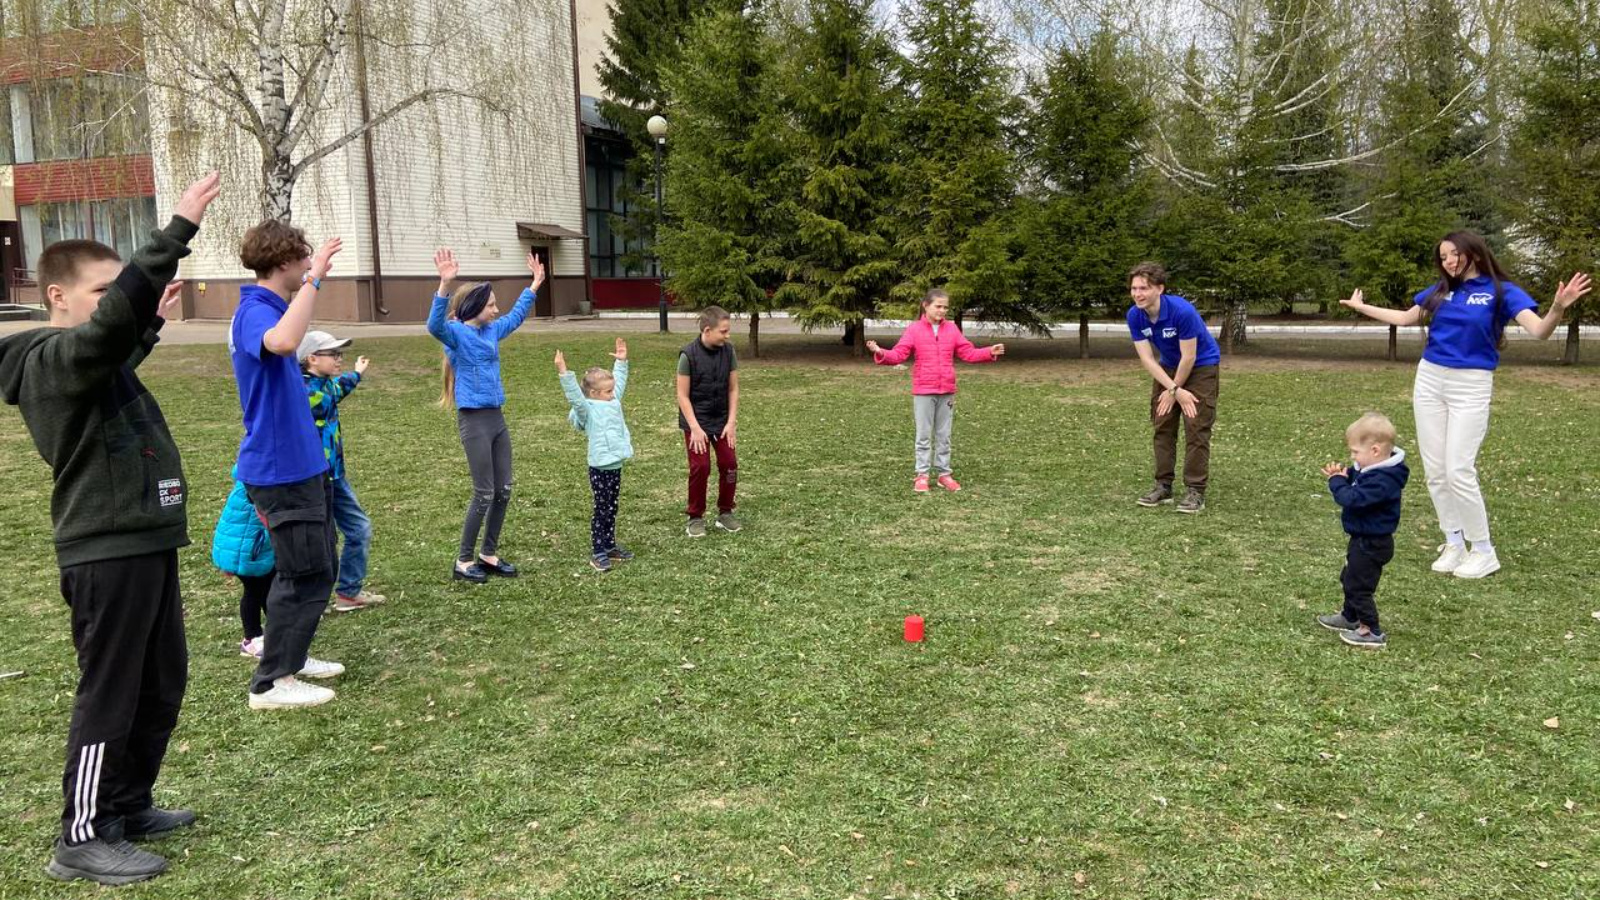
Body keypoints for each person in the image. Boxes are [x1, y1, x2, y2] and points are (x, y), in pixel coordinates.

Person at [0, 172, 220, 885]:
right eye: (102, 291)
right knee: (112, 689)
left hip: (146, 539)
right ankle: (82, 835)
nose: (112, 304)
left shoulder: (87, 363)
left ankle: (126, 804)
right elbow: (100, 342)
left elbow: (117, 349)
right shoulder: (47, 360)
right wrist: (175, 231)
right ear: (57, 297)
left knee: (162, 681)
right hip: (105, 548)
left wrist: (146, 318)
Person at [1339, 231, 1590, 578]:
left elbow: (1540, 331)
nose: (1448, 262)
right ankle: (1454, 542)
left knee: (1458, 468)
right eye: (1442, 257)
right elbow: (1405, 317)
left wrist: (1558, 307)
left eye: (1453, 254)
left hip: (1470, 384)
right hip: (1430, 379)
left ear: (1472, 252)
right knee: (1436, 471)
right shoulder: (1442, 290)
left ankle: (1483, 550)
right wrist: (1361, 307)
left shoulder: (1501, 291)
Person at [231, 219, 347, 709]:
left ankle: (292, 657)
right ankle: (271, 681)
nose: (307, 263)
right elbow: (280, 342)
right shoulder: (254, 311)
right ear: (282, 262)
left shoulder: (275, 307)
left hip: (305, 466)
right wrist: (316, 279)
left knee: (320, 566)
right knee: (300, 573)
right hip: (279, 471)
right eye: (302, 257)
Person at [428, 248, 545, 583]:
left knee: (503, 488)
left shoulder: (492, 331)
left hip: (496, 418)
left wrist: (535, 284)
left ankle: (488, 554)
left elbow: (516, 316)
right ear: (475, 307)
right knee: (484, 491)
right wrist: (444, 285)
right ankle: (463, 561)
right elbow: (433, 324)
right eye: (491, 304)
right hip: (474, 420)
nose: (496, 310)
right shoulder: (456, 334)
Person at [866, 289, 1005, 494]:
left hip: (946, 390)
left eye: (945, 307)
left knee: (944, 435)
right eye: (938, 306)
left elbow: (967, 352)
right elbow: (898, 354)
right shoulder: (914, 330)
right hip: (924, 390)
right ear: (926, 306)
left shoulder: (951, 329)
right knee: (923, 435)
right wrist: (880, 352)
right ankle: (922, 475)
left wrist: (988, 352)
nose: (942, 310)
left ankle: (944, 474)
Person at [299, 331, 386, 612]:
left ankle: (346, 593)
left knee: (354, 530)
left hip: (335, 477)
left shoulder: (323, 385)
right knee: (324, 538)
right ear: (311, 358)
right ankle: (315, 598)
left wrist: (356, 373)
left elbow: (338, 388)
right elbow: (332, 393)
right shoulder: (309, 392)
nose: (339, 360)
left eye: (340, 355)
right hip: (315, 480)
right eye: (333, 355)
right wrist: (353, 376)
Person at [1125, 262, 1221, 514]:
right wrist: (1173, 390)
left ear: (1160, 288)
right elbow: (1147, 358)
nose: (1137, 294)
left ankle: (1195, 490)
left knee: (1196, 424)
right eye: (1134, 288)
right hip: (1167, 369)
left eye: (1143, 288)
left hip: (1201, 367)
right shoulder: (1135, 314)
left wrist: (1174, 390)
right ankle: (1163, 485)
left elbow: (1188, 357)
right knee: (1162, 422)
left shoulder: (1182, 311)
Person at [1317, 413, 1410, 649]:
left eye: (1356, 453)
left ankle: (1371, 631)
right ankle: (1350, 616)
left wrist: (1337, 482)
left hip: (1372, 543)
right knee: (1348, 578)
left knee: (1360, 586)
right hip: (1361, 538)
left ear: (1376, 451)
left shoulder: (1383, 480)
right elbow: (1357, 480)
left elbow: (1353, 499)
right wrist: (1346, 474)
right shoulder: (1372, 470)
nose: (1352, 457)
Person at [556, 338, 634, 572]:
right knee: (602, 509)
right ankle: (598, 551)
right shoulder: (587, 409)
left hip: (615, 465)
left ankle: (610, 545)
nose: (612, 394)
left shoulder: (612, 401)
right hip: (599, 467)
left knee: (612, 507)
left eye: (611, 390)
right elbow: (575, 398)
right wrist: (564, 372)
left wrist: (621, 362)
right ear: (593, 393)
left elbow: (618, 384)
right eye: (607, 391)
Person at [677, 306, 745, 535]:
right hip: (696, 422)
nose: (728, 336)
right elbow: (682, 396)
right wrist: (695, 428)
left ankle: (725, 513)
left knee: (729, 464)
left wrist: (731, 422)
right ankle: (695, 517)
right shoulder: (688, 355)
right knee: (701, 467)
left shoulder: (729, 351)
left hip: (722, 420)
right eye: (723, 331)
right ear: (708, 330)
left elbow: (733, 389)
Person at [211, 470, 275, 660]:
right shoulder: (257, 478)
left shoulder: (254, 473)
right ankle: (251, 638)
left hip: (251, 545)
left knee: (266, 588)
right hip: (246, 548)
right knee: (255, 591)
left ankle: (276, 631)